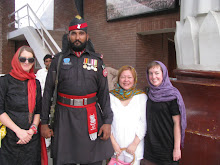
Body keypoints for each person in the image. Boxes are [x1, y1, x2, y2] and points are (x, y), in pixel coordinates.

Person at [40, 15, 114, 165]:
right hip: (64, 118)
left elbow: (104, 94)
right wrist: (44, 122)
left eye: (81, 34)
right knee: (64, 160)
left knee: (93, 161)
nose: (77, 37)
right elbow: (48, 92)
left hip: (90, 116)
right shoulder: (58, 60)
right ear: (68, 36)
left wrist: (107, 121)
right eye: (74, 34)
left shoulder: (97, 61)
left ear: (87, 36)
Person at [0, 46, 42, 165]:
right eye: (23, 59)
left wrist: (32, 130)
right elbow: (0, 110)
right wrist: (18, 131)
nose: (26, 62)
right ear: (16, 60)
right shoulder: (5, 81)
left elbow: (38, 111)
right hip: (10, 138)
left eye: (30, 60)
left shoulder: (36, 83)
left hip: (31, 139)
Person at [142, 61, 187, 165]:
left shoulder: (172, 95)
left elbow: (177, 124)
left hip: (167, 148)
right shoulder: (148, 93)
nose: (154, 77)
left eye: (157, 73)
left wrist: (177, 148)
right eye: (151, 73)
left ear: (164, 74)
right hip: (150, 147)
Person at [109, 65, 147, 165]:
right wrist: (114, 144)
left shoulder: (141, 97)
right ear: (118, 79)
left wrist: (134, 144)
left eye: (129, 77)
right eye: (123, 77)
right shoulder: (110, 96)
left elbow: (144, 123)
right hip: (116, 148)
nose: (126, 80)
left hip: (134, 148)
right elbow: (107, 121)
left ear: (134, 79)